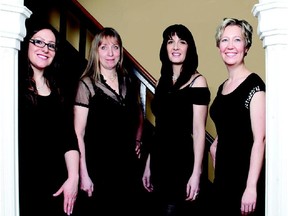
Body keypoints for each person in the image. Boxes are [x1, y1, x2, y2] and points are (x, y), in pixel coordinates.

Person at [73, 27, 145, 216]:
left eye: (115, 47)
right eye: (104, 47)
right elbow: (78, 134)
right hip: (99, 169)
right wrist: (84, 174)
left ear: (120, 51)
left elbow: (138, 113)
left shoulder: (128, 82)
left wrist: (137, 140)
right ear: (96, 51)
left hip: (127, 167)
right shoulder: (86, 84)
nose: (110, 53)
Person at [142, 24, 211, 216]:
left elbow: (198, 131)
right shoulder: (161, 81)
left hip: (181, 163)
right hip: (158, 163)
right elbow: (159, 127)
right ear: (165, 47)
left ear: (189, 48)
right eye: (170, 42)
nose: (175, 47)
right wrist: (148, 164)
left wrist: (196, 173)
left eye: (182, 42)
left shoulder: (198, 81)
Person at [18, 22, 80, 216]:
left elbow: (69, 138)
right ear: (26, 43)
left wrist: (73, 178)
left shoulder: (59, 89)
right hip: (22, 182)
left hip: (57, 185)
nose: (45, 49)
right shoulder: (13, 83)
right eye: (38, 42)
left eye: (51, 45)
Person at [209, 18, 266, 215]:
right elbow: (232, 123)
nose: (230, 46)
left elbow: (260, 139)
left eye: (237, 40)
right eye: (225, 40)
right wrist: (215, 144)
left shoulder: (255, 85)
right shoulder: (222, 86)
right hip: (222, 178)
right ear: (218, 47)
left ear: (247, 46)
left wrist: (251, 188)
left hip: (244, 181)